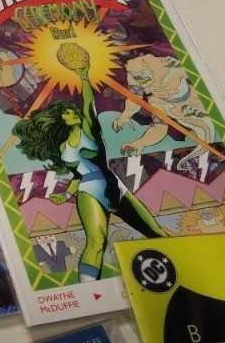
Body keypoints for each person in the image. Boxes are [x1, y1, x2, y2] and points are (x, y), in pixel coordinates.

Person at [13, 47, 167, 282]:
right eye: (68, 112)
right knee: (96, 244)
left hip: (116, 187)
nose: (73, 112)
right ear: (61, 119)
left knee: (156, 233)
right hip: (90, 192)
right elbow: (79, 175)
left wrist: (84, 77)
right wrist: (66, 195)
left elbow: (87, 105)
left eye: (72, 110)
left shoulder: (88, 131)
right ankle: (89, 287)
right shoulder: (63, 148)